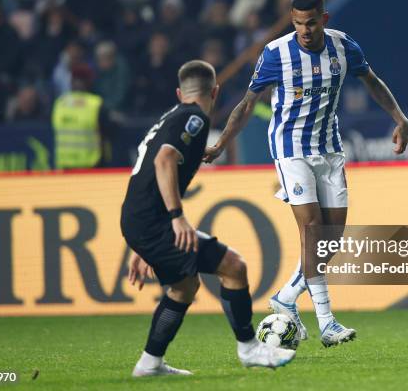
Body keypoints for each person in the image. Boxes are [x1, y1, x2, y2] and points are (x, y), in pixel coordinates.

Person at [204, 0, 408, 347]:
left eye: (311, 23)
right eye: (298, 23)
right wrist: (222, 142)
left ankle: (286, 297)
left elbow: (372, 82)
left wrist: (400, 118)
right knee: (313, 230)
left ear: (324, 19)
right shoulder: (275, 54)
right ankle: (327, 323)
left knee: (330, 242)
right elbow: (247, 104)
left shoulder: (344, 47)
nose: (304, 30)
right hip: (290, 150)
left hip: (329, 150)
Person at [120, 60, 296, 377]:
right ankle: (250, 348)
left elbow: (149, 169)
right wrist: (176, 217)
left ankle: (149, 363)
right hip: (154, 222)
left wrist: (142, 243)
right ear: (215, 91)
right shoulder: (195, 118)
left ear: (179, 92)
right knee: (234, 266)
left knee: (183, 287)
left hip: (140, 220)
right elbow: (163, 161)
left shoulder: (169, 118)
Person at [51, 63, 114, 169]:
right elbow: (108, 131)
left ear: (71, 82)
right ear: (89, 82)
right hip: (90, 165)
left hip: (64, 166)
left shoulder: (60, 103)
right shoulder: (96, 104)